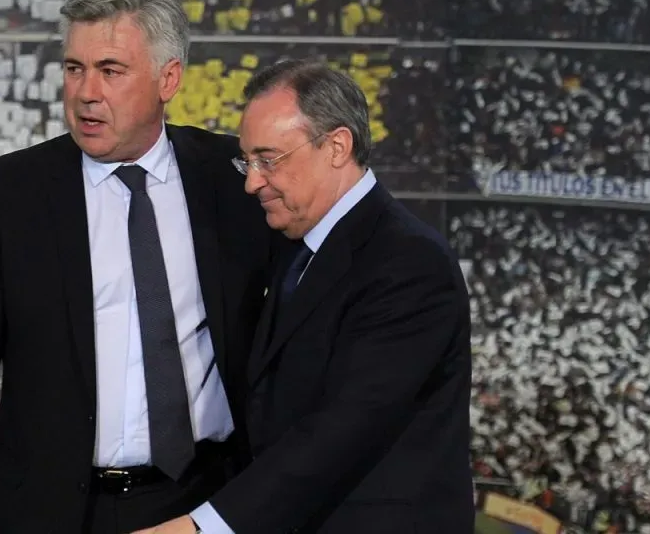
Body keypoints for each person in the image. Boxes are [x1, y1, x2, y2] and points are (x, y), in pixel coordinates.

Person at [0, 0, 274, 534]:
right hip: (52, 512)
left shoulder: (236, 178)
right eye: (74, 68)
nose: (86, 92)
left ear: (168, 78)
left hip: (207, 500)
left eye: (110, 71)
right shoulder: (5, 196)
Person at [138, 60, 474, 533]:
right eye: (247, 161)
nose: (252, 181)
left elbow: (345, 428)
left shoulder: (409, 263)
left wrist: (204, 526)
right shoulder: (296, 247)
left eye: (268, 160)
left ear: (337, 147)